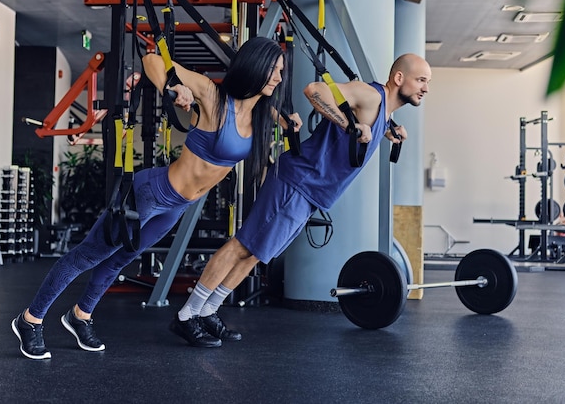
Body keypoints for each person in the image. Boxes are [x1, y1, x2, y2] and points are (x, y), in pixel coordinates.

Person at [11, 36, 301, 359]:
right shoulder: (213, 95)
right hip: (151, 193)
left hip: (177, 206)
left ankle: (80, 315)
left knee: (121, 259)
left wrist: (289, 123)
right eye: (274, 69)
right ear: (256, 65)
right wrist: (172, 87)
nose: (278, 77)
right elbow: (152, 61)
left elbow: (275, 117)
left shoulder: (261, 115)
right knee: (88, 255)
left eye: (281, 71)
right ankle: (30, 319)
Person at [170, 53, 431, 347]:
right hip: (296, 181)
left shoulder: (383, 114)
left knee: (257, 253)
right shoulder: (371, 95)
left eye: (427, 82)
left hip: (310, 193)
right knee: (243, 244)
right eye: (421, 80)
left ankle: (209, 311)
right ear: (399, 79)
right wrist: (349, 126)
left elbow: (365, 127)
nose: (425, 88)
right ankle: (187, 314)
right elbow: (314, 90)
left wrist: (388, 130)